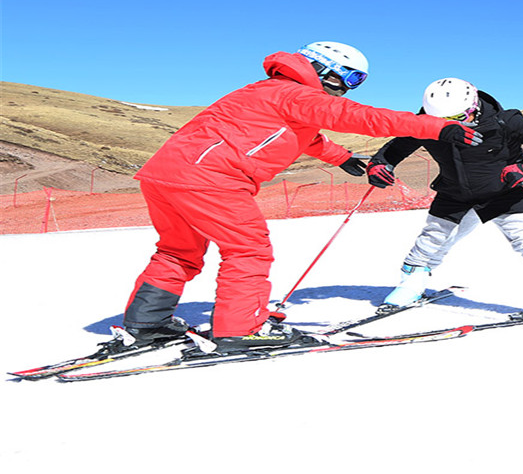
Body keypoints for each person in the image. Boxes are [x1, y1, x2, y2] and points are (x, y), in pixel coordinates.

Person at [122, 42, 482, 352]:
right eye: (352, 78)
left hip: (164, 176)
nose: (350, 89)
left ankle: (147, 324)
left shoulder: (264, 90)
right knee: (248, 250)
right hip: (211, 179)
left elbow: (303, 135)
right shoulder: (297, 93)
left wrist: (341, 158)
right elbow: (363, 118)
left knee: (177, 251)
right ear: (328, 70)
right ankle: (240, 329)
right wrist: (438, 127)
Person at [366, 77, 523, 316]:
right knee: (432, 239)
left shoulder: (505, 121)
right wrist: (380, 164)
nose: (451, 127)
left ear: (473, 105)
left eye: (458, 119)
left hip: (505, 190)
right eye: (439, 122)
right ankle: (411, 285)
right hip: (455, 191)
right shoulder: (423, 125)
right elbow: (395, 148)